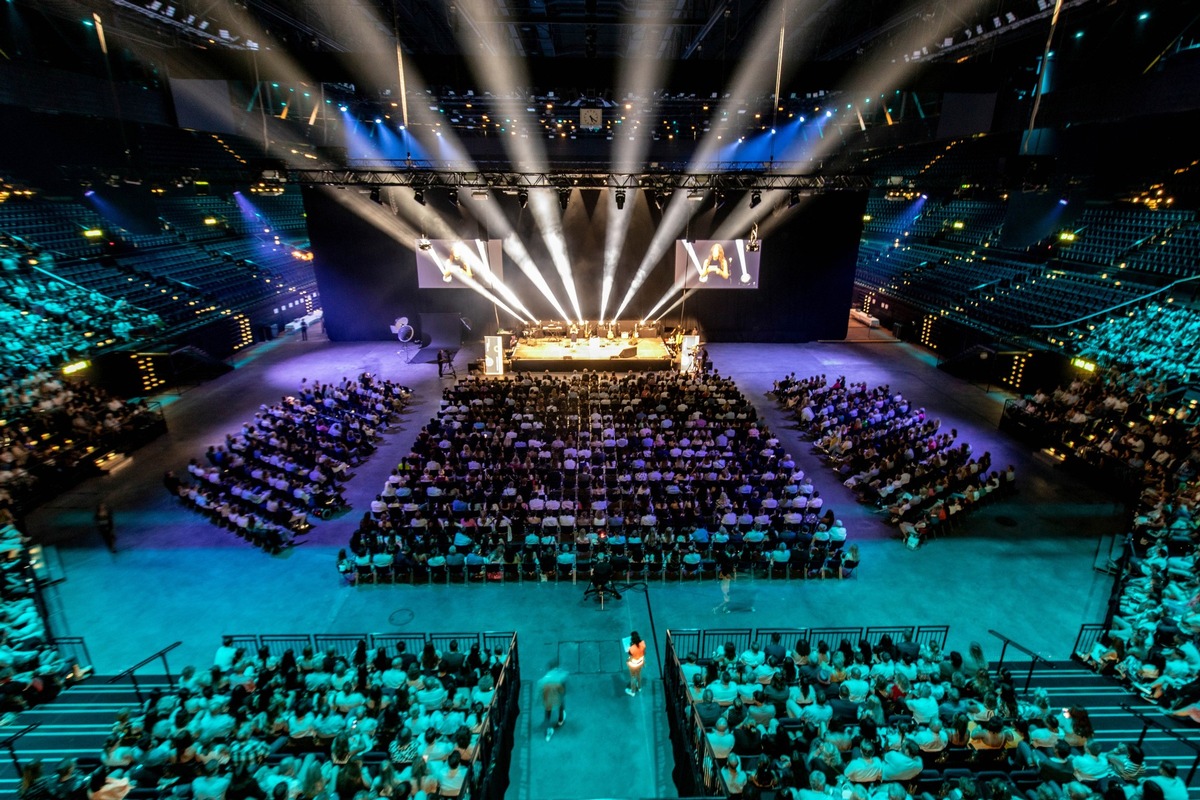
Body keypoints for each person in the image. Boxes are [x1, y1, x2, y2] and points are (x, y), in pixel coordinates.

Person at [537, 666, 568, 741]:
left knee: (548, 715)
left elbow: (540, 689)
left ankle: (548, 731)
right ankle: (560, 720)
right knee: (561, 705)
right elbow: (562, 690)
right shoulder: (559, 678)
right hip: (556, 699)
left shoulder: (544, 680)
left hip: (547, 701)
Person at [625, 631, 646, 696]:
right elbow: (644, 651)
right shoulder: (643, 643)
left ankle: (633, 691)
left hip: (633, 664)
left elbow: (629, 654)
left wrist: (630, 646)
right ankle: (639, 687)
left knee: (633, 677)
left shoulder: (632, 648)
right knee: (639, 674)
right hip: (640, 662)